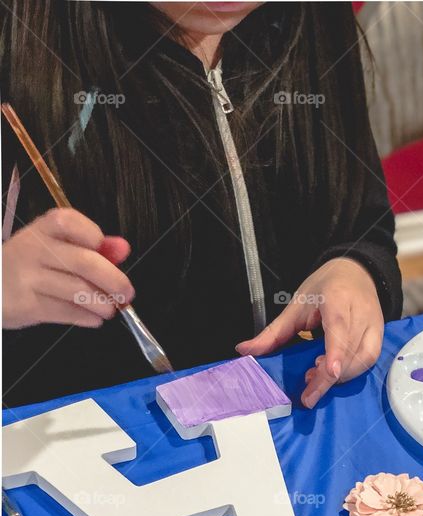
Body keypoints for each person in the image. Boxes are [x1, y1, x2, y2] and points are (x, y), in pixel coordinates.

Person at [1, 1, 401, 408]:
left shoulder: (312, 15)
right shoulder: (19, 48)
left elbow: (363, 224)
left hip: (297, 421)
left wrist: (356, 269)